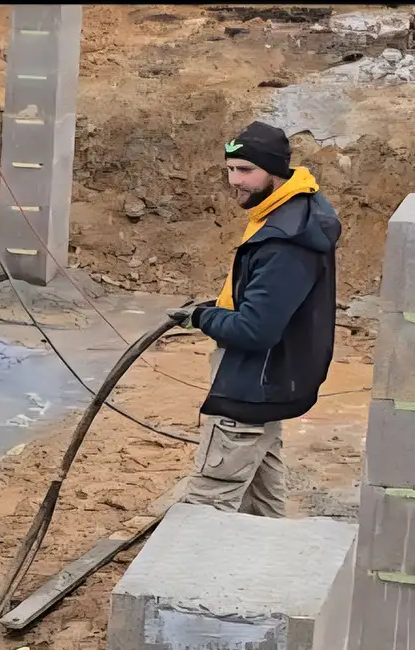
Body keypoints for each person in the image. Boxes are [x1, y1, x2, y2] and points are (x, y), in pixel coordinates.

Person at [167, 120, 341, 518]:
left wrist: (201, 318)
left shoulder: (284, 240)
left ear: (275, 172)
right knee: (261, 500)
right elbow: (268, 299)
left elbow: (254, 329)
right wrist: (219, 306)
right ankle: (267, 570)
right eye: (230, 169)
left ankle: (190, 577)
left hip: (251, 386)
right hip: (274, 381)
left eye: (245, 170)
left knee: (209, 501)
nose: (234, 181)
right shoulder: (294, 210)